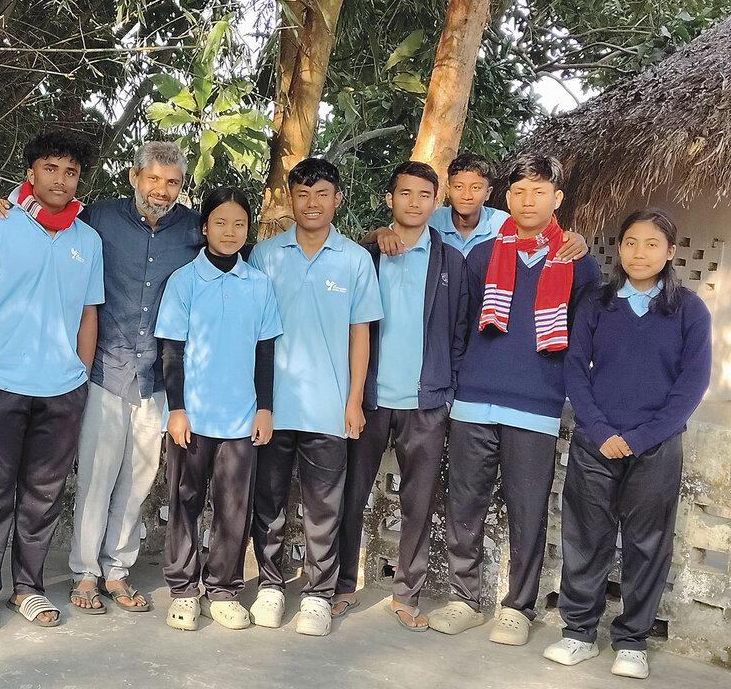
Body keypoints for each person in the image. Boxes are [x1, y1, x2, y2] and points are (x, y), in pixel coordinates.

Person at [0, 142, 201, 614]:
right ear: (133, 177)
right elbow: (44, 215)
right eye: (154, 179)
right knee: (96, 478)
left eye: (173, 183)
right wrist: (2, 204)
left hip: (157, 377)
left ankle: (117, 570)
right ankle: (84, 573)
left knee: (138, 483)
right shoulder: (99, 220)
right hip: (105, 369)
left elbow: (232, 243)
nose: (162, 191)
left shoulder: (192, 229)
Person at [427, 154, 601, 646]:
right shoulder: (482, 256)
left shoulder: (577, 262)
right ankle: (464, 598)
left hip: (538, 406)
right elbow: (461, 326)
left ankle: (517, 607)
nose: (529, 201)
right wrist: (460, 381)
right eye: (520, 192)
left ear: (556, 199)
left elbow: (585, 338)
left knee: (527, 511)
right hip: (473, 403)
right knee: (465, 503)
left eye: (539, 192)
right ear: (506, 200)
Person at [544, 209, 711, 679]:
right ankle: (577, 633)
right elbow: (576, 368)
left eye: (652, 244)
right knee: (585, 538)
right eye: (631, 243)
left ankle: (632, 641)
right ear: (619, 249)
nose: (640, 253)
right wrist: (600, 431)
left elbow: (690, 385)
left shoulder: (688, 310)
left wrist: (638, 439)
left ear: (669, 252)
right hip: (596, 441)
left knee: (647, 544)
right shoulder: (597, 303)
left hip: (655, 446)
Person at [0, 130, 104, 632]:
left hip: (63, 389)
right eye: (50, 168)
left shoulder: (88, 240)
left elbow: (90, 315)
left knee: (43, 497)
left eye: (70, 172)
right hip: (0, 383)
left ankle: (28, 587)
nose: (60, 180)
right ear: (31, 172)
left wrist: (80, 377)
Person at [246, 159, 382, 637]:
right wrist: (256, 399)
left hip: (329, 407)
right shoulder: (264, 256)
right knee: (269, 501)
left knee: (325, 506)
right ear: (290, 197)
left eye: (322, 193)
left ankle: (319, 595)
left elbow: (359, 335)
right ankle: (269, 585)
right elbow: (254, 334)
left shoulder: (354, 260)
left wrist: (354, 400)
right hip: (273, 407)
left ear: (337, 199)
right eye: (303, 194)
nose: (312, 203)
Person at [336, 161, 468, 632]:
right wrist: (373, 237)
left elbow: (460, 333)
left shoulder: (452, 261)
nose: (414, 203)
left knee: (419, 503)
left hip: (425, 404)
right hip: (368, 398)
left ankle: (407, 593)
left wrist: (446, 390)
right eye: (404, 194)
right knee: (352, 494)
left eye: (424, 195)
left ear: (437, 203)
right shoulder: (365, 255)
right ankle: (342, 584)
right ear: (389, 199)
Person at [156, 187, 283, 632]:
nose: (230, 232)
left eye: (239, 224)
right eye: (221, 222)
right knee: (184, 500)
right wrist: (177, 409)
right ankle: (183, 588)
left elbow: (265, 352)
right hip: (193, 416)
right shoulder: (184, 282)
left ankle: (224, 587)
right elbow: (172, 352)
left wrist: (264, 408)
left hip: (241, 417)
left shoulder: (259, 285)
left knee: (234, 506)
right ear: (204, 227)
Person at [368, 152, 589, 260]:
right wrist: (381, 232)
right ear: (448, 189)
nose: (466, 195)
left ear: (488, 193)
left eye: (475, 188)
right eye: (459, 187)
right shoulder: (432, 219)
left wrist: (575, 239)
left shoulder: (503, 223)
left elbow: (538, 233)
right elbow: (390, 236)